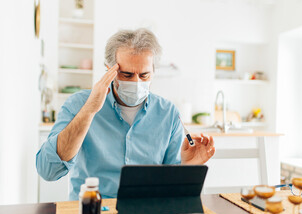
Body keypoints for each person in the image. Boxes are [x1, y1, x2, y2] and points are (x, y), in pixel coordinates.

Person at [36, 28, 215, 200]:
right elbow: (48, 171)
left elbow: (171, 187)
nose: (136, 83)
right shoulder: (79, 104)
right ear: (109, 70)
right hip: (92, 210)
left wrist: (187, 167)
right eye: (127, 75)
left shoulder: (168, 113)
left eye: (144, 75)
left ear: (153, 72)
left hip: (146, 213)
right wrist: (89, 110)